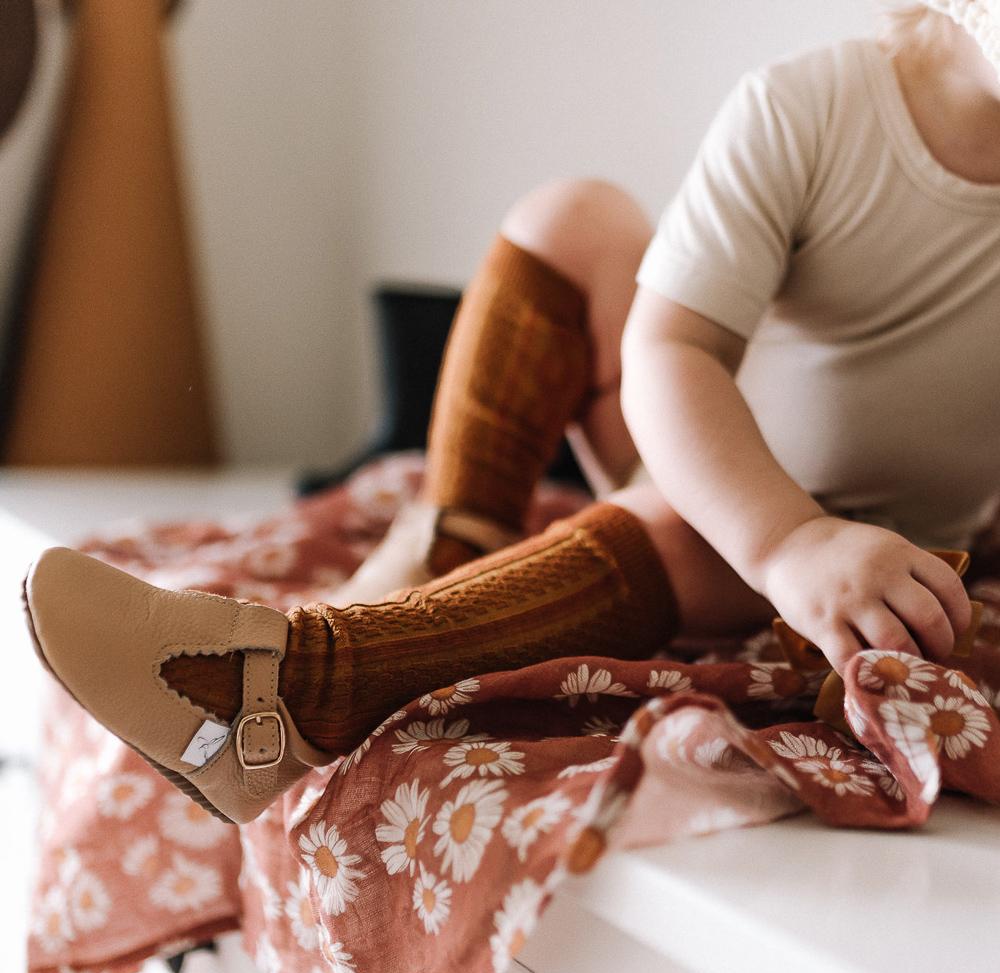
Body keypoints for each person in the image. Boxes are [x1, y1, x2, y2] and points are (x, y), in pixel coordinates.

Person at [23, 0, 1000, 824]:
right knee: (573, 219)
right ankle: (450, 541)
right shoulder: (808, 106)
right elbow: (671, 351)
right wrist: (783, 535)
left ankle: (295, 695)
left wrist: (805, 546)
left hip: (859, 544)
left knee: (668, 523)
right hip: (729, 474)